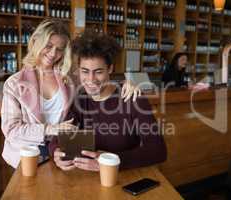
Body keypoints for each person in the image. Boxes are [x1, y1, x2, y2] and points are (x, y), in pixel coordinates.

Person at [1, 19, 141, 168]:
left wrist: (124, 84)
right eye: (48, 46)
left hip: (63, 152)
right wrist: (50, 129)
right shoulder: (14, 83)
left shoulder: (69, 77)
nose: (53, 53)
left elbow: (95, 82)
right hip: (27, 156)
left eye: (60, 49)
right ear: (35, 41)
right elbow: (12, 130)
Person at [49, 31, 167, 171]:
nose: (91, 79)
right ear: (78, 70)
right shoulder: (80, 100)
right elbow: (58, 138)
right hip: (89, 179)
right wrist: (56, 152)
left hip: (125, 176)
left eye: (98, 72)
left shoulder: (132, 98)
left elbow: (158, 151)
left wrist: (111, 161)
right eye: (85, 71)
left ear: (110, 69)